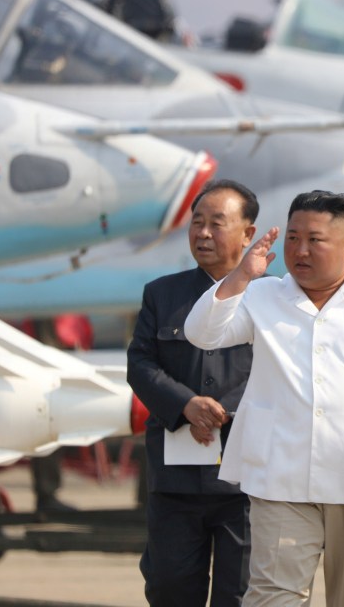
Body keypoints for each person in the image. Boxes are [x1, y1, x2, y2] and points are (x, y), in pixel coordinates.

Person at [184, 190, 344, 606]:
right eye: (292, 238)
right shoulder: (262, 294)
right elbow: (202, 333)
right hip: (282, 474)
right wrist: (239, 277)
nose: (300, 251)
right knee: (272, 596)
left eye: (315, 240)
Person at [127, 179, 259, 607]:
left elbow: (282, 370)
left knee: (239, 594)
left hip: (246, 480)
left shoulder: (272, 298)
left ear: (247, 233)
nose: (202, 233)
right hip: (175, 480)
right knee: (169, 587)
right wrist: (185, 404)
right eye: (196, 223)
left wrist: (223, 411)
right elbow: (140, 363)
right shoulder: (162, 294)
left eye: (216, 223)